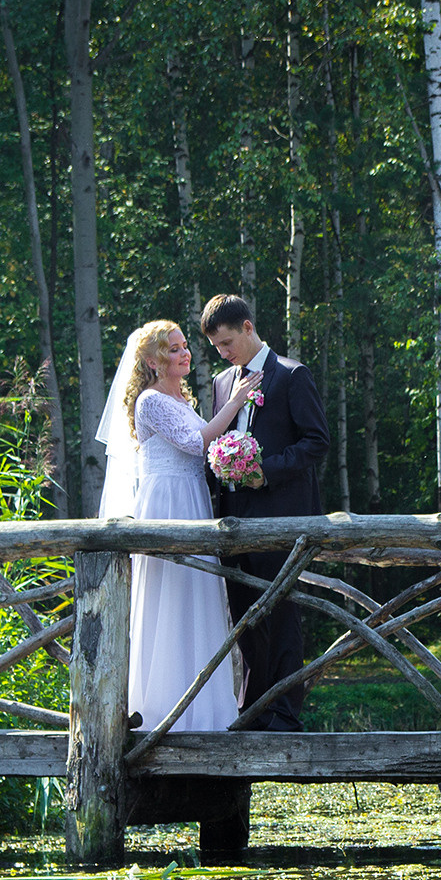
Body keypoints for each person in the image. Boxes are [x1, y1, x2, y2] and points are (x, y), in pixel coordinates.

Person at [95, 320, 261, 734]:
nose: (185, 353)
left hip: (192, 499)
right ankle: (164, 709)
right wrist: (235, 401)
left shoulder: (181, 398)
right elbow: (194, 442)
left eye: (184, 345)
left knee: (197, 597)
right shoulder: (150, 401)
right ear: (153, 361)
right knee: (170, 598)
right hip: (167, 503)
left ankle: (204, 710)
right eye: (174, 349)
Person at [198, 294, 330, 732]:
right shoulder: (222, 383)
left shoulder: (291, 375)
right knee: (244, 616)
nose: (223, 352)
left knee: (282, 614)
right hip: (232, 517)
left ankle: (284, 714)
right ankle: (252, 709)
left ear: (248, 328)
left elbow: (316, 442)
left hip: (281, 514)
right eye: (216, 346)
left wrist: (263, 472)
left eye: (227, 342)